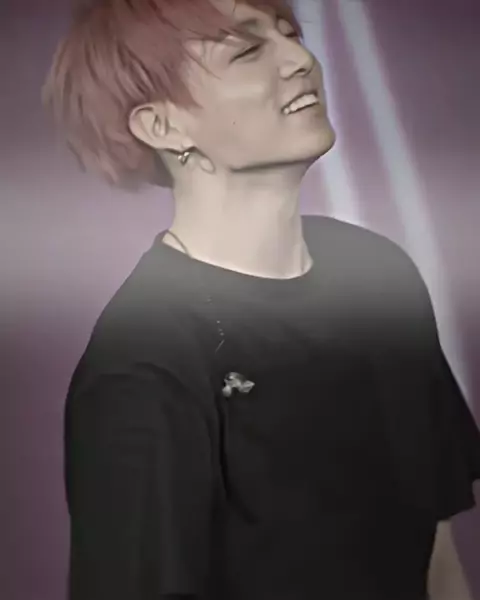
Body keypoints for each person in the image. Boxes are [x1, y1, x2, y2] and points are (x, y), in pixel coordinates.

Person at [42, 0, 480, 599]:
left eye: (290, 34)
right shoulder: (144, 363)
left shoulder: (378, 275)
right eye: (248, 50)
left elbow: (435, 556)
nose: (300, 59)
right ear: (162, 126)